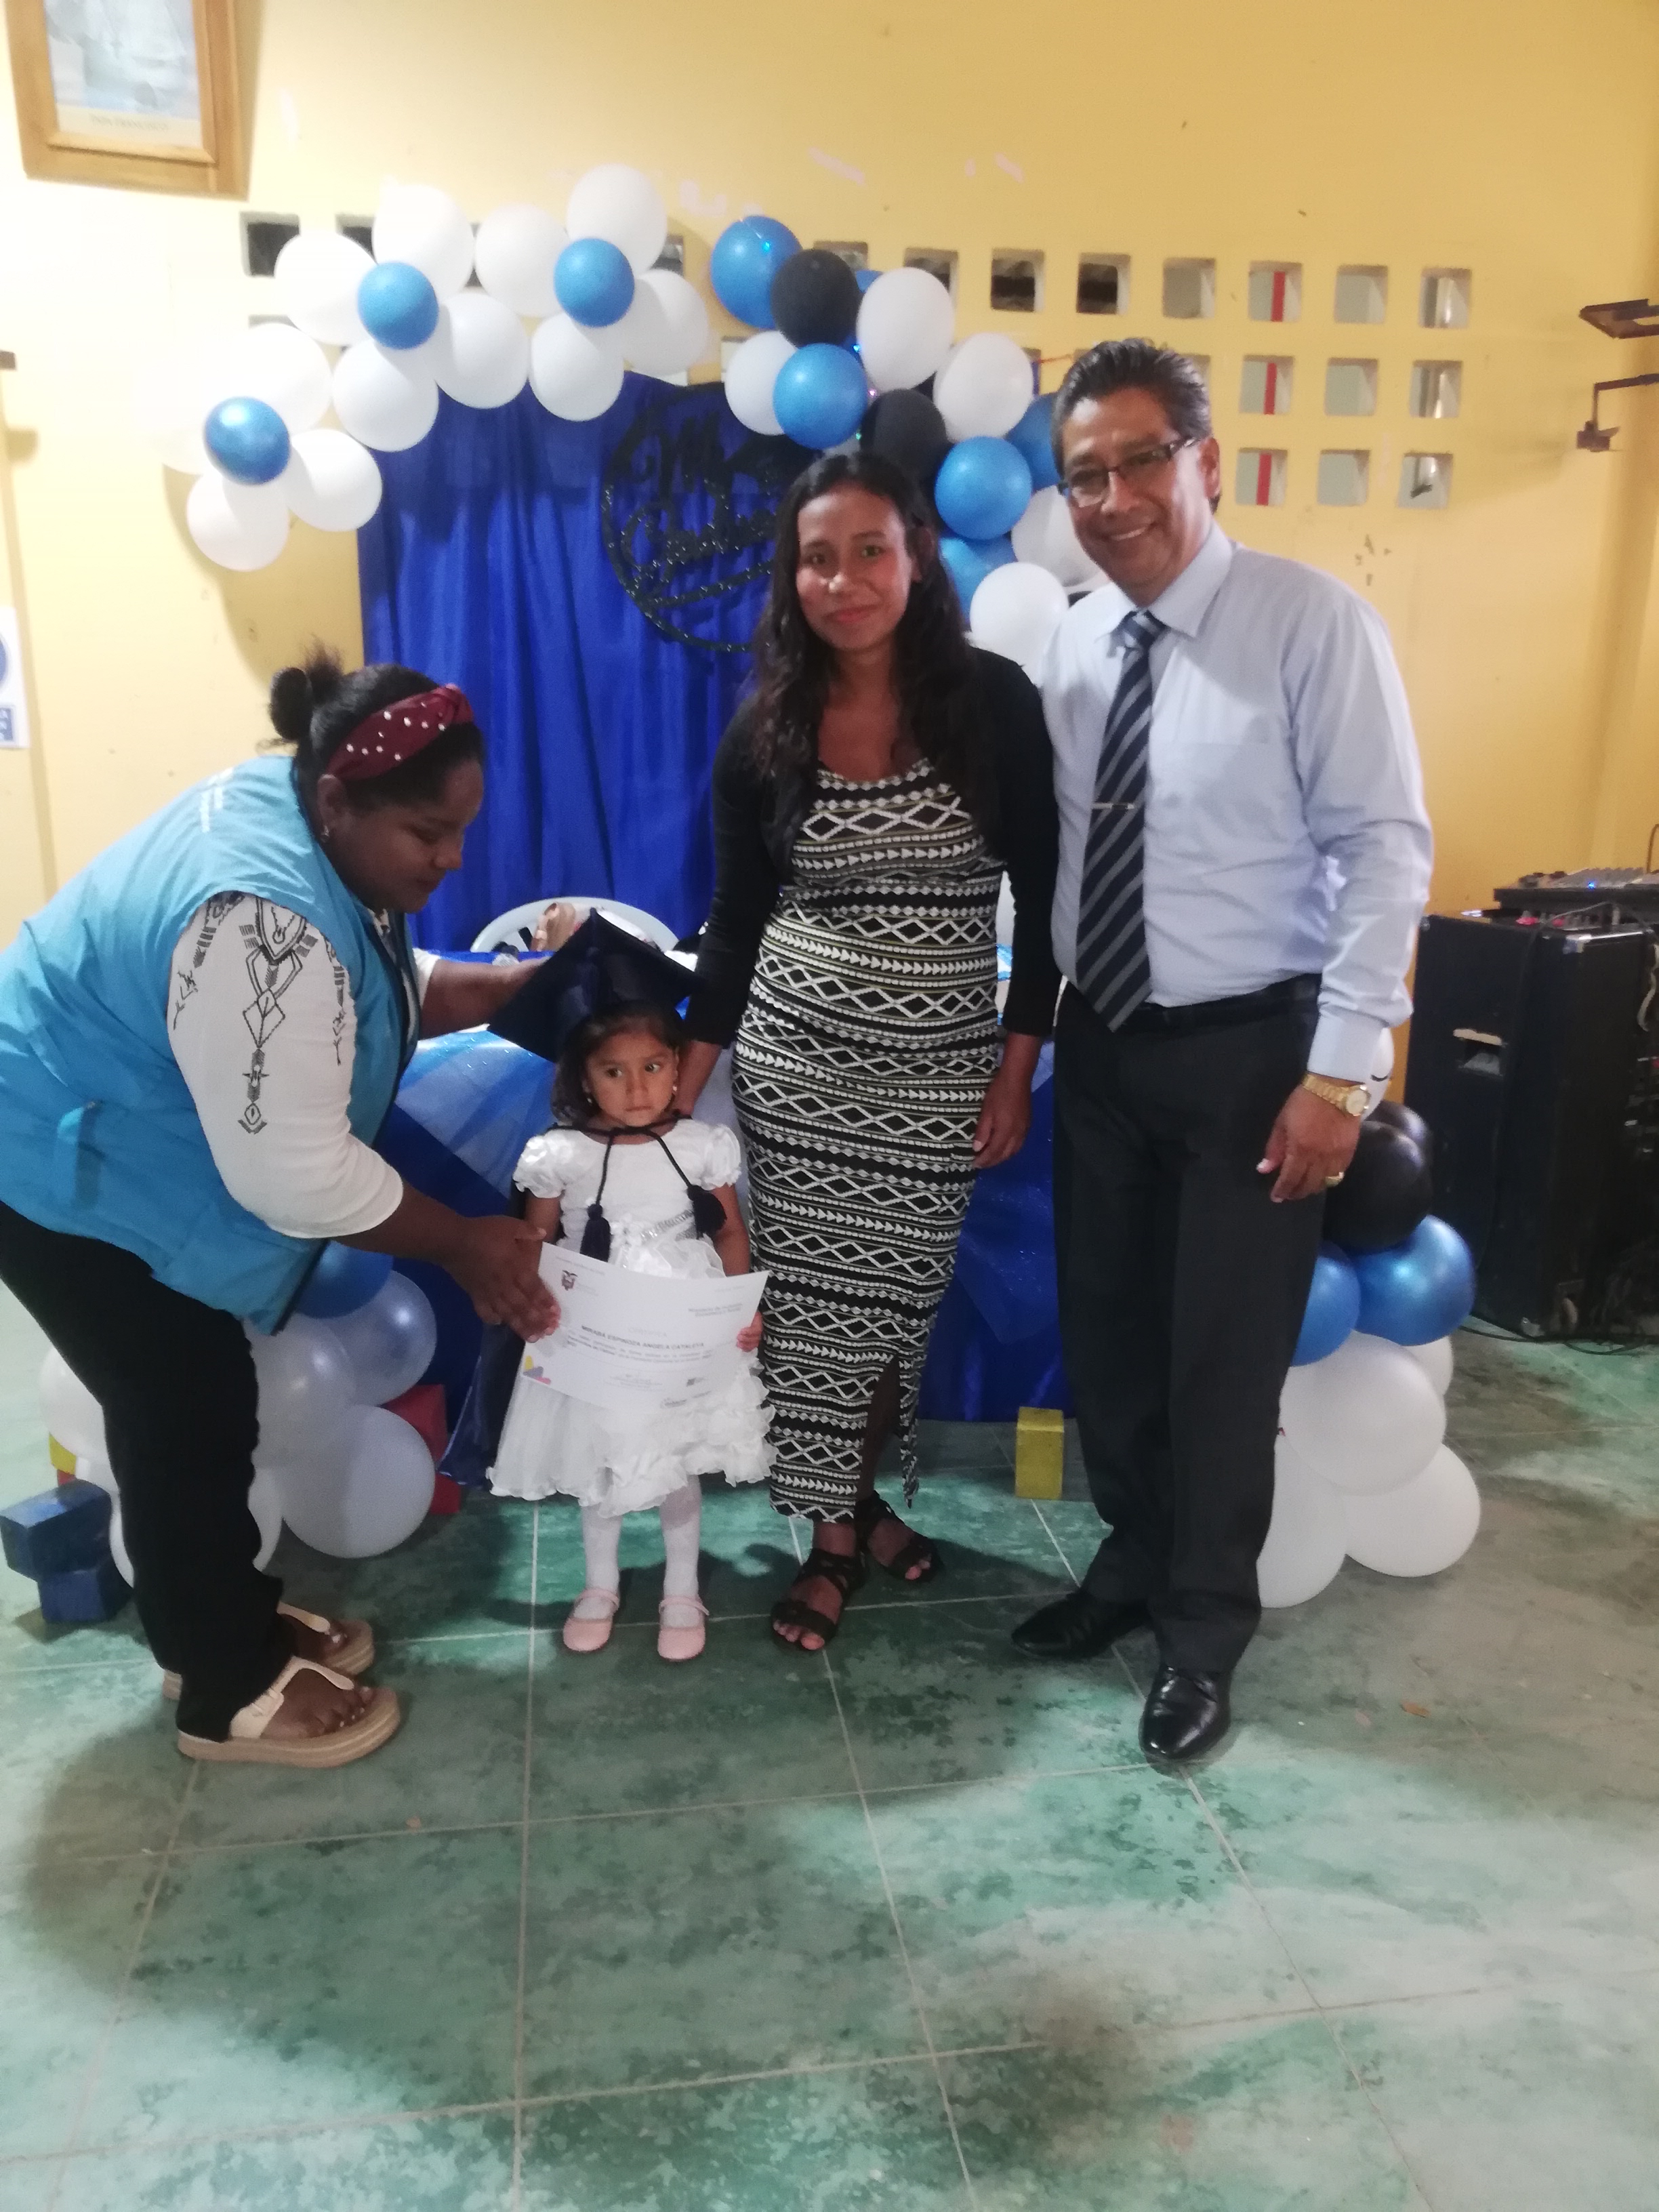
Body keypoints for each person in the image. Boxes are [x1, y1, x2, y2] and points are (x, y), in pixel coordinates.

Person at [0, 651, 560, 1767]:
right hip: (55, 1164)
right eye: (429, 834)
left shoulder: (305, 812)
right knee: (183, 1403)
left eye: (462, 829)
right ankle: (224, 1690)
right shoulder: (260, 914)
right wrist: (461, 1242)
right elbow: (297, 1174)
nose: (452, 859)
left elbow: (370, 983)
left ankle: (220, 1622)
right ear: (340, 799)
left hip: (111, 1132)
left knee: (195, 1400)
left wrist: (504, 993)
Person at [1012, 339, 1433, 1761]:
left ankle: (1201, 1630)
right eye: (1083, 475)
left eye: (1138, 461)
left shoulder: (1311, 624)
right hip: (1106, 1046)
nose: (1111, 497)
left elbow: (1384, 852)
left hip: (1256, 1056)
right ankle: (1132, 1563)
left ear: (1204, 461)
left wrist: (1339, 1074)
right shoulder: (1074, 641)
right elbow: (1063, 851)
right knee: (1111, 1338)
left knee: (1219, 1362)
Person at [676, 449, 1061, 1653]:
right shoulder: (765, 730)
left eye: (868, 551)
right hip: (797, 1073)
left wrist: (1013, 1070)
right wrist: (681, 1094)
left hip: (939, 1075)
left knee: (892, 1308)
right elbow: (735, 923)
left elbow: (1048, 901)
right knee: (808, 1316)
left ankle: (855, 1501)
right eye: (817, 558)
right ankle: (835, 1533)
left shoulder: (993, 704)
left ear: (917, 557)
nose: (842, 581)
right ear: (791, 577)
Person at [487, 980, 771, 1664]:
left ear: (678, 1067)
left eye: (652, 1066)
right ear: (584, 1079)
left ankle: (682, 1588)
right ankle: (600, 1585)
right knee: (601, 1457)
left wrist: (740, 1307)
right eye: (613, 1071)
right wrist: (538, 1306)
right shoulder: (561, 1154)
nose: (637, 1087)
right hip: (596, 1330)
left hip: (681, 1327)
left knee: (677, 1458)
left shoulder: (702, 1146)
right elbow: (537, 1244)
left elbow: (730, 1233)